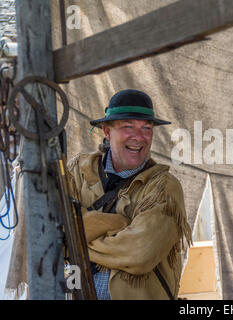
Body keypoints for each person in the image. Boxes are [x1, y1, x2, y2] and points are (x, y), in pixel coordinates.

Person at [67, 89, 192, 300]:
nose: (139, 137)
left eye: (146, 128)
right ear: (107, 131)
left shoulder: (163, 187)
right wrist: (118, 223)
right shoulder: (77, 171)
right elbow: (56, 231)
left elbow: (139, 253)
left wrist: (75, 244)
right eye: (128, 127)